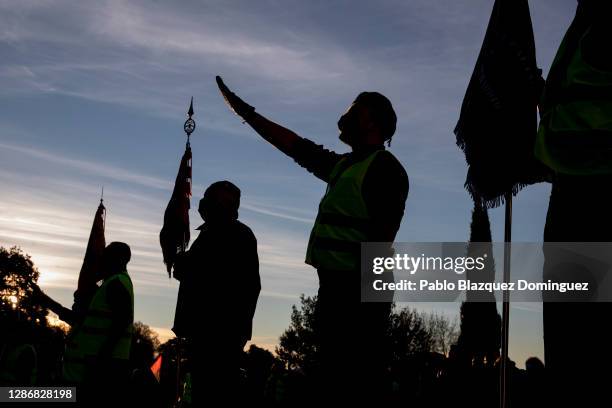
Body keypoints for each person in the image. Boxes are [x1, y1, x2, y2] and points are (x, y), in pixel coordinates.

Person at [216, 76, 408, 403]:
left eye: (354, 112)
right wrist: (247, 114)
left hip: (355, 299)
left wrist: (366, 316)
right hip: (334, 290)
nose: (343, 118)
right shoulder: (344, 165)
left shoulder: (385, 170)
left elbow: (380, 245)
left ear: (373, 123)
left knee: (351, 381)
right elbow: (296, 146)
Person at [534, 1, 612, 406]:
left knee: (586, 347)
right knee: (572, 343)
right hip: (571, 192)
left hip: (598, 198)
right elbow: (567, 107)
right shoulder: (585, 20)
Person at [172, 181, 260, 405]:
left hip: (220, 335)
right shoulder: (210, 234)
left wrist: (190, 269)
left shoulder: (237, 235)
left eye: (214, 200)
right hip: (203, 333)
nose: (205, 205)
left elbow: (231, 284)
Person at [37, 242, 134, 402]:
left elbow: (121, 323)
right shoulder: (109, 285)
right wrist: (45, 300)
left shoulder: (116, 283)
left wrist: (101, 359)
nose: (102, 260)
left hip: (98, 370)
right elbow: (80, 320)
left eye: (107, 256)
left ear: (119, 259)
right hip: (83, 372)